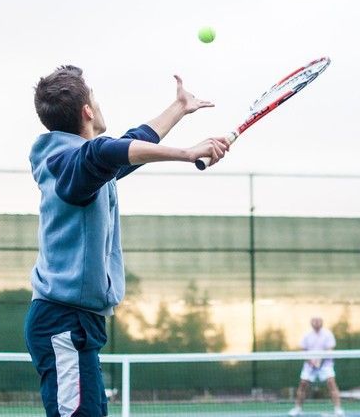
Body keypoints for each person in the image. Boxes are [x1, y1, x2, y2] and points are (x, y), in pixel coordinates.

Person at [24, 65, 228, 417]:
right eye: (95, 99)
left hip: (77, 323)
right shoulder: (71, 165)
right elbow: (105, 152)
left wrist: (179, 108)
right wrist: (187, 153)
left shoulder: (80, 163)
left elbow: (129, 143)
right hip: (63, 323)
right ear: (87, 111)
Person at [289, 317, 343, 416]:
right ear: (311, 323)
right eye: (314, 321)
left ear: (322, 322)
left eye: (318, 321)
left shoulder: (328, 334)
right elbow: (303, 350)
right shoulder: (306, 335)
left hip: (326, 364)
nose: (316, 323)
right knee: (303, 384)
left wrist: (320, 360)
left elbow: (330, 349)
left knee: (331, 383)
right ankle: (297, 408)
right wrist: (312, 361)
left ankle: (338, 409)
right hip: (310, 365)